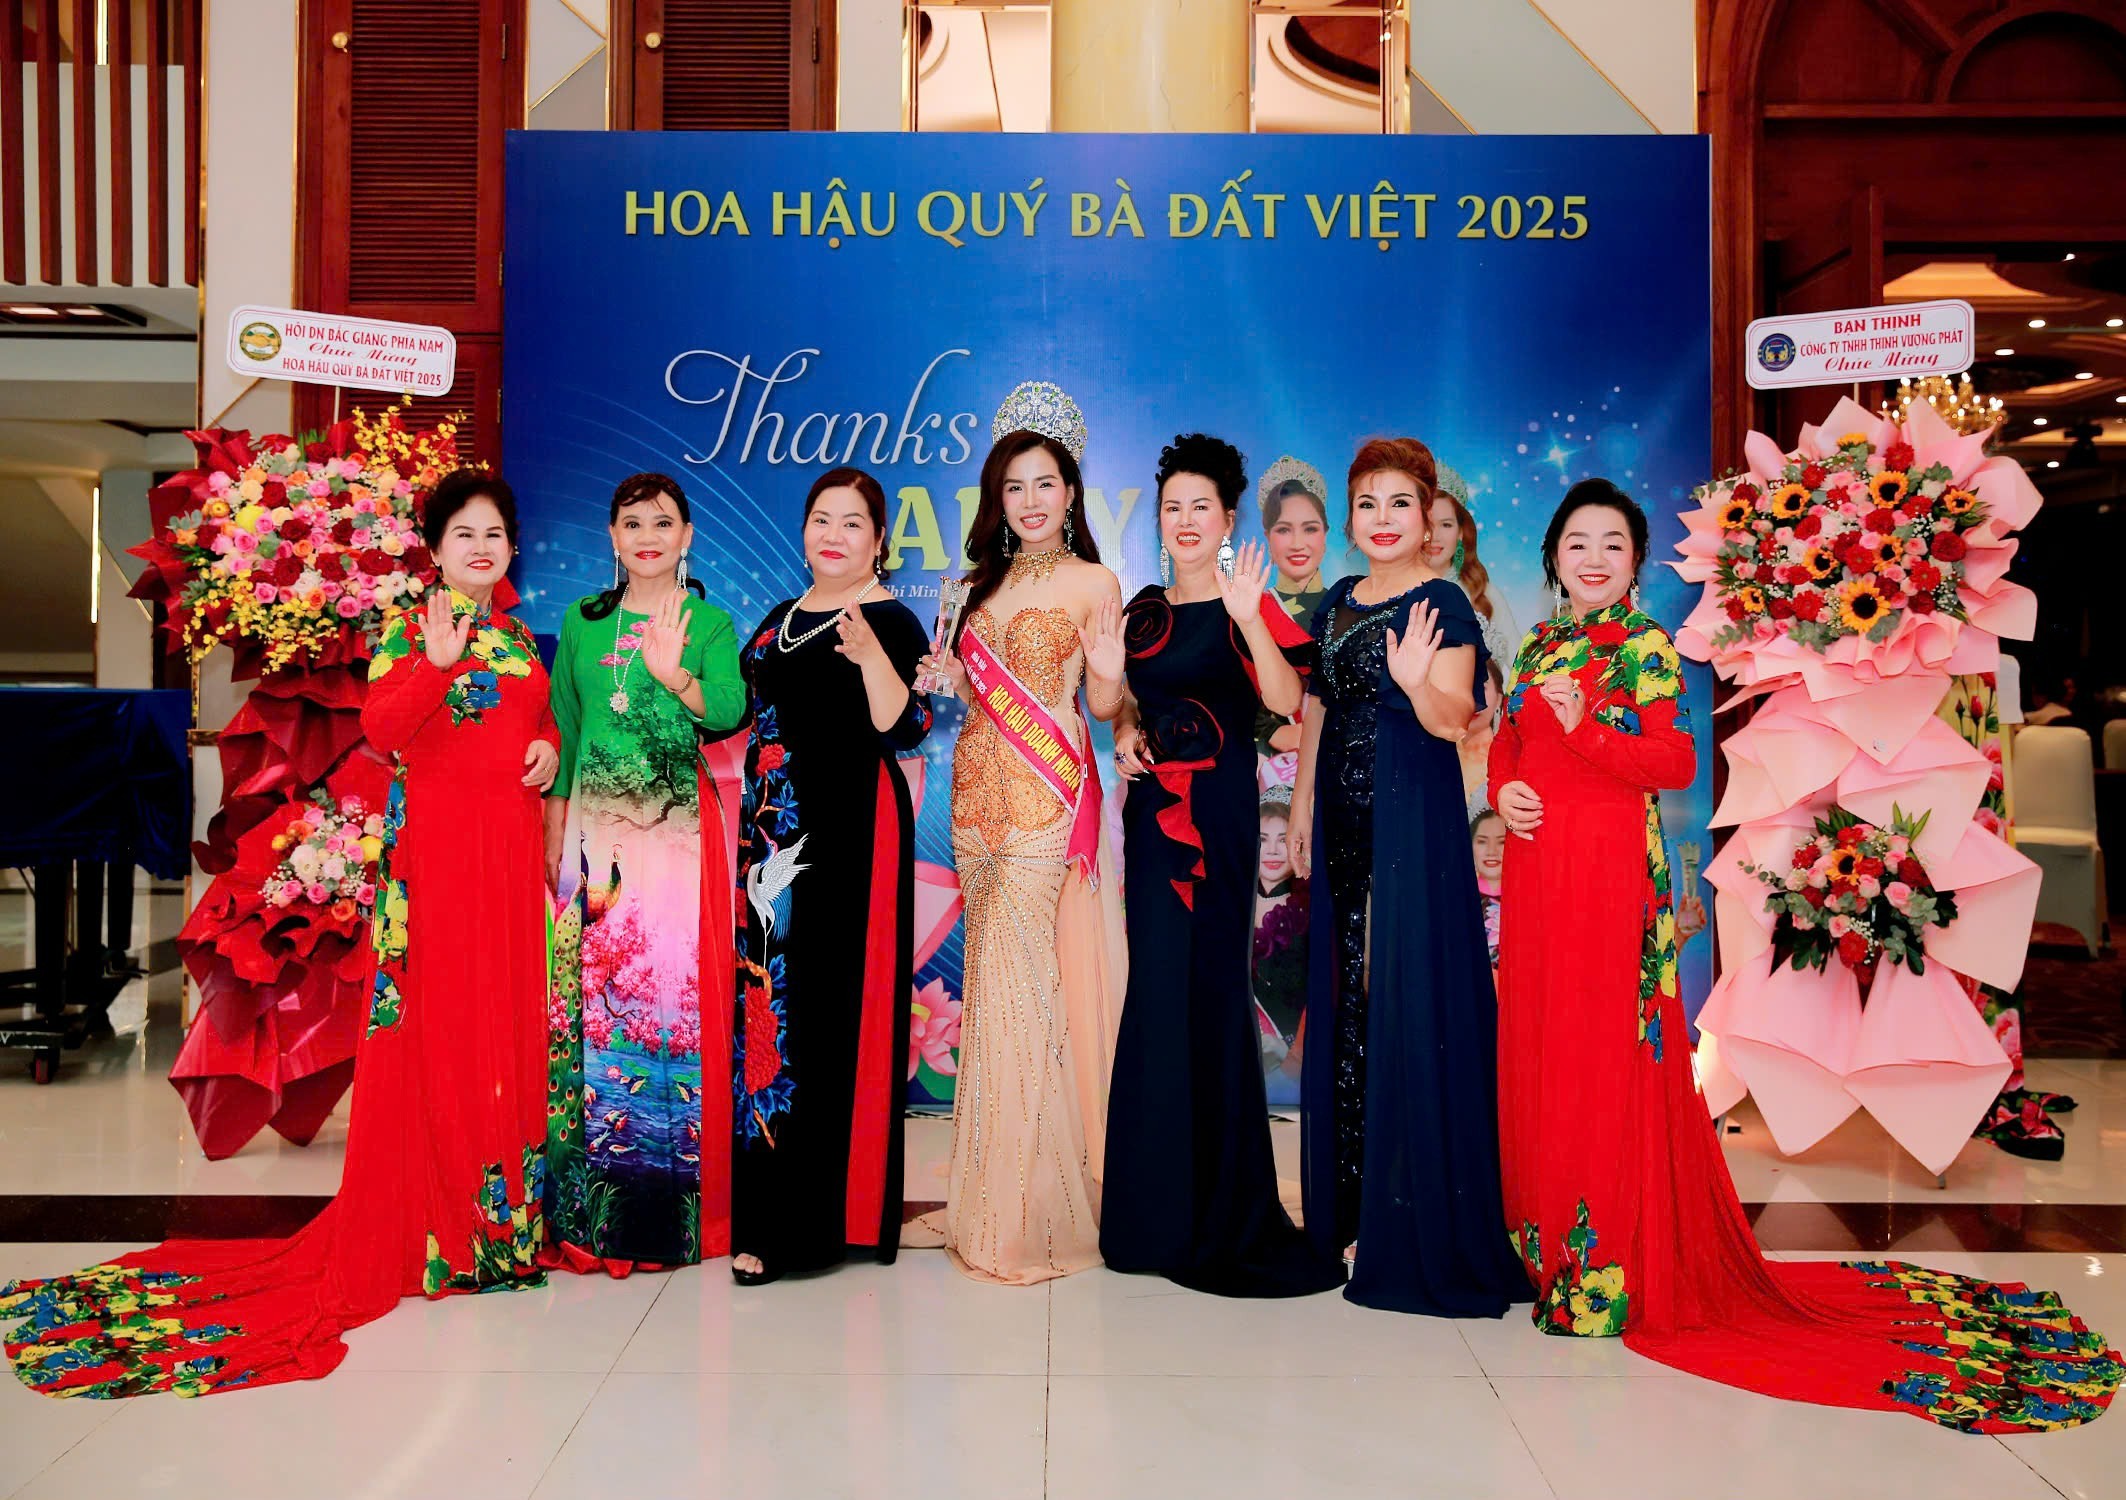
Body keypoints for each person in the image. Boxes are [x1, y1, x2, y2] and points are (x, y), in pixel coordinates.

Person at [1489, 478, 2121, 1431]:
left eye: (1612, 544)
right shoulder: (1537, 646)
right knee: (1545, 1047)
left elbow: (1673, 765)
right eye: (1578, 542)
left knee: (1608, 1056)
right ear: (1553, 557)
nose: (1593, 559)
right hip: (1540, 876)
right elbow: (1508, 743)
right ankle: (1541, 1246)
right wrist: (1505, 791)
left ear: (1635, 561)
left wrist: (1589, 728)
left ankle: (1606, 1265)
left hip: (1611, 878)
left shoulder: (1647, 648)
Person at [2, 471, 561, 1397]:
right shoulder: (409, 625)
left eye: (494, 534)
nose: (481, 548)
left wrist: (546, 746)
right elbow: (384, 728)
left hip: (505, 860)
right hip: (440, 865)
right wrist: (432, 660)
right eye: (463, 534)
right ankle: (434, 1225)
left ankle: (496, 1224)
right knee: (437, 1032)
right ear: (434, 548)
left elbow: (532, 724)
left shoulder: (515, 637)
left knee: (498, 1031)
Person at [1094, 433, 1343, 1298]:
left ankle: (1219, 1205)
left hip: (1224, 813)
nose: (1186, 519)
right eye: (1173, 507)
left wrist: (1248, 619)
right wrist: (1124, 724)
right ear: (1159, 521)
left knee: (1209, 989)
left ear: (1229, 519)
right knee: (1157, 991)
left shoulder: (1249, 602)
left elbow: (1286, 700)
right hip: (1154, 820)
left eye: (1202, 506)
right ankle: (1152, 1214)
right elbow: (1119, 700)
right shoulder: (1141, 612)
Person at [1289, 437, 1527, 1317]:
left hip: (1410, 825)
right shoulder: (1338, 600)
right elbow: (1318, 707)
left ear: (1429, 518)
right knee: (1349, 1001)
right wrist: (1303, 804)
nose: (1382, 519)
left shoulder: (1442, 603)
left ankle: (1406, 1215)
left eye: (1400, 503)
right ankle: (1350, 1209)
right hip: (1342, 826)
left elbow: (1456, 716)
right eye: (1368, 504)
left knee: (1402, 998)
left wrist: (1417, 682)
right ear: (1350, 520)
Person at [920, 381, 1125, 1285]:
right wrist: (945, 679)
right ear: (996, 500)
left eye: (1046, 484)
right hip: (975, 805)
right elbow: (976, 696)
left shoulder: (1095, 583)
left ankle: (1032, 1212)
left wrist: (1109, 674)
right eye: (1015, 487)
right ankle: (987, 1196)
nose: (1032, 501)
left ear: (1071, 493)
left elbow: (1104, 705)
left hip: (1046, 803)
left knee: (1025, 991)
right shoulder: (978, 586)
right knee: (993, 990)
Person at [728, 467, 933, 1286]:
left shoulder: (891, 618)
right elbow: (745, 712)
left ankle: (813, 1226)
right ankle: (766, 1210)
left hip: (848, 835)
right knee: (767, 1014)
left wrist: (874, 657)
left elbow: (904, 724)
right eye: (822, 518)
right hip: (769, 842)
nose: (834, 534)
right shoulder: (781, 615)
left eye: (853, 522)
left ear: (879, 540)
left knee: (825, 1015)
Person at [542, 473, 746, 1273]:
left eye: (664, 523)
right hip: (593, 845)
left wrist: (675, 676)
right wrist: (554, 833)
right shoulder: (581, 622)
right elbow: (565, 727)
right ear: (613, 536)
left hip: (673, 844)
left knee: (668, 1012)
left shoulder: (708, 621)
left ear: (687, 535)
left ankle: (668, 1220)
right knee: (588, 1017)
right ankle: (588, 1217)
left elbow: (729, 708)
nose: (648, 537)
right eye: (633, 523)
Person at [1255, 456, 1333, 767]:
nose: (1297, 543)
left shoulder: (1349, 605)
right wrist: (1271, 731)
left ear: (1325, 534)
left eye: (1310, 529)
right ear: (1267, 537)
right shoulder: (1250, 610)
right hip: (1266, 771)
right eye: (1284, 530)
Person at [1253, 786, 1308, 1105]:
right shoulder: (1230, 907)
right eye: (1262, 839)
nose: (1273, 851)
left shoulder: (1314, 911)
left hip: (1296, 1069)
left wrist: (1295, 1061)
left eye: (1282, 839)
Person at [1470, 808, 1505, 977]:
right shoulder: (1458, 902)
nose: (1492, 851)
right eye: (1482, 841)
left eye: (1502, 842)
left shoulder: (1530, 902)